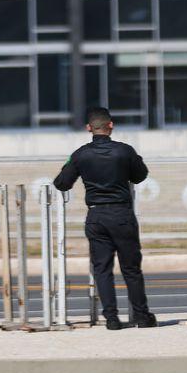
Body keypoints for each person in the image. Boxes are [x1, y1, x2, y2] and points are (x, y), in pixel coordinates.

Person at [54, 107, 157, 331]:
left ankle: (111, 318)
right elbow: (140, 175)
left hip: (96, 215)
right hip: (121, 213)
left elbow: (61, 182)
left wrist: (72, 163)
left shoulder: (80, 154)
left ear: (88, 128)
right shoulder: (125, 151)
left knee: (102, 269)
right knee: (131, 268)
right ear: (111, 125)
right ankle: (141, 316)